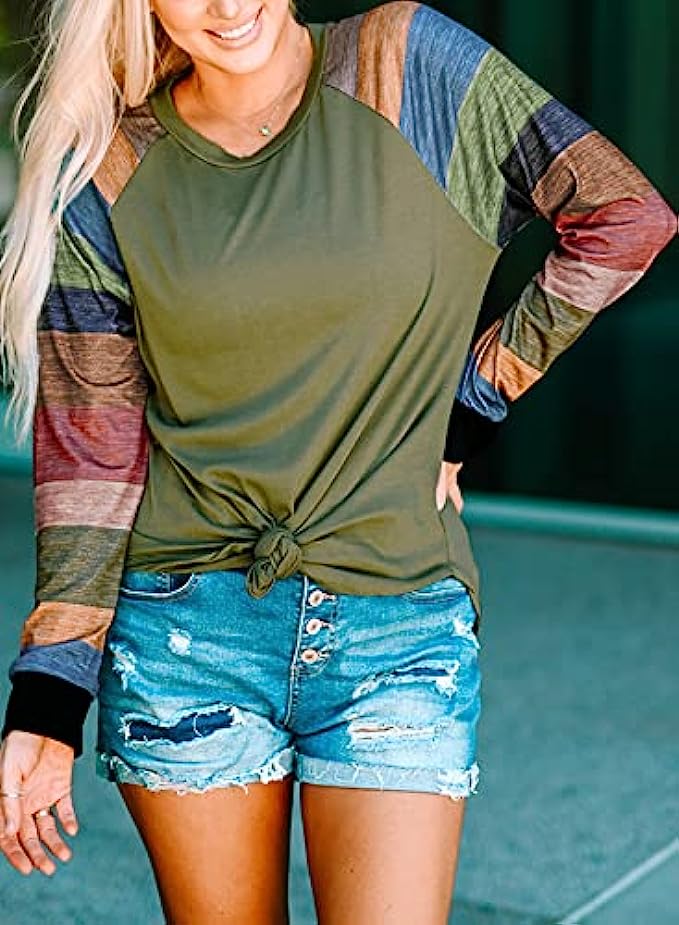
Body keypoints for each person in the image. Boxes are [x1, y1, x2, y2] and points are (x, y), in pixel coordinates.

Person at [0, 0, 675, 921]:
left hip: (396, 613)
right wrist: (46, 701)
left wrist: (470, 404)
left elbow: (622, 213)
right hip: (185, 633)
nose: (226, 6)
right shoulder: (108, 172)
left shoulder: (406, 66)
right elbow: (92, 452)